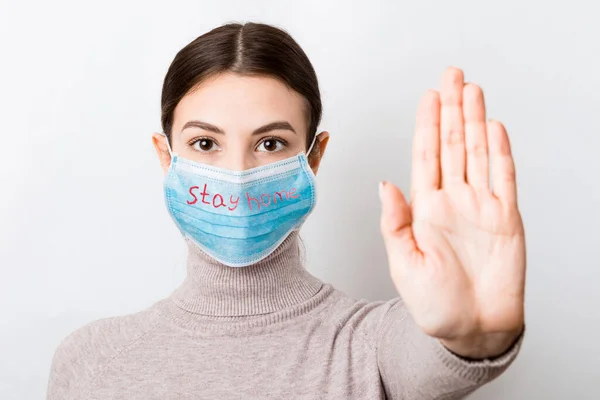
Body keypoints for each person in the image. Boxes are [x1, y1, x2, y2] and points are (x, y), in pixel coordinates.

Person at [46, 21, 526, 399]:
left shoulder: (371, 346)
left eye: (270, 143)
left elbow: (434, 357)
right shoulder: (91, 360)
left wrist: (475, 335)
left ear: (313, 157)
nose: (236, 173)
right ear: (164, 155)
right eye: (205, 142)